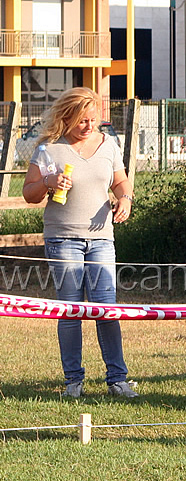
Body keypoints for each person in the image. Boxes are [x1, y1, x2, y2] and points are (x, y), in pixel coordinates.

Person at [22, 87, 138, 398]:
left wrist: (124, 198)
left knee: (106, 309)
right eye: (82, 120)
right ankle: (73, 381)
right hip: (62, 238)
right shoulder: (50, 150)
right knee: (71, 309)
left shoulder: (108, 145)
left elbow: (120, 180)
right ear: (67, 117)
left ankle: (117, 379)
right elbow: (29, 194)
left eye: (93, 119)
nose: (89, 126)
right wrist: (48, 182)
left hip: (101, 239)